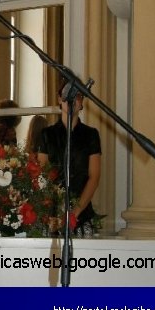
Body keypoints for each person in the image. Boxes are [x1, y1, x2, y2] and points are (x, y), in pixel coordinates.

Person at [37, 82, 101, 237]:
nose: (72, 100)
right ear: (59, 99)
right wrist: (52, 211)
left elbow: (94, 177)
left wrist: (75, 212)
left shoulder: (91, 134)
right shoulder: (47, 134)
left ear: (82, 101)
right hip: (52, 214)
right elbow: (41, 175)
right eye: (67, 95)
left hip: (81, 213)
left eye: (77, 96)